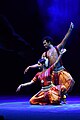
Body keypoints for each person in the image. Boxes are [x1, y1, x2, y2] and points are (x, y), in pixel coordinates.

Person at [24, 22, 75, 93]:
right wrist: (30, 67)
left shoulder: (58, 48)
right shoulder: (44, 54)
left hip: (61, 71)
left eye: (45, 43)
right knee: (54, 89)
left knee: (71, 81)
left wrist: (70, 29)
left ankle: (63, 94)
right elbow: (39, 64)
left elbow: (65, 39)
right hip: (52, 72)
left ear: (49, 42)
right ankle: (58, 97)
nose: (44, 45)